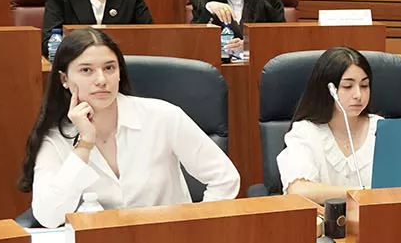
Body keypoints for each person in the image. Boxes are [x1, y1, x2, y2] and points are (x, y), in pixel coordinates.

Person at [19, 27, 240, 228]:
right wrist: (84, 143)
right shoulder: (56, 138)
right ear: (64, 79)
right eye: (86, 70)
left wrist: (194, 227)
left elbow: (225, 178)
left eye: (109, 68)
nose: (101, 79)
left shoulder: (163, 116)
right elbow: (48, 217)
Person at [276, 47, 379, 202]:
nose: (358, 95)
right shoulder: (306, 131)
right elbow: (298, 190)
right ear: (328, 90)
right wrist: (360, 193)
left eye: (364, 86)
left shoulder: (381, 128)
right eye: (347, 86)